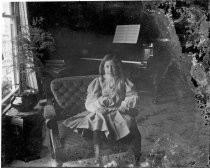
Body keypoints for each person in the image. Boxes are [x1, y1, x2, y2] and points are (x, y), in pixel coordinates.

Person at [63, 53, 142, 166]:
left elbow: (133, 95)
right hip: (101, 111)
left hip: (118, 110)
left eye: (113, 66)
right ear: (103, 67)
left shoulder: (123, 80)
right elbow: (90, 100)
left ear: (118, 67)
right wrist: (99, 106)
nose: (110, 69)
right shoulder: (99, 81)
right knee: (97, 121)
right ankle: (98, 157)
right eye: (107, 66)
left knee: (129, 122)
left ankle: (136, 157)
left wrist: (123, 105)